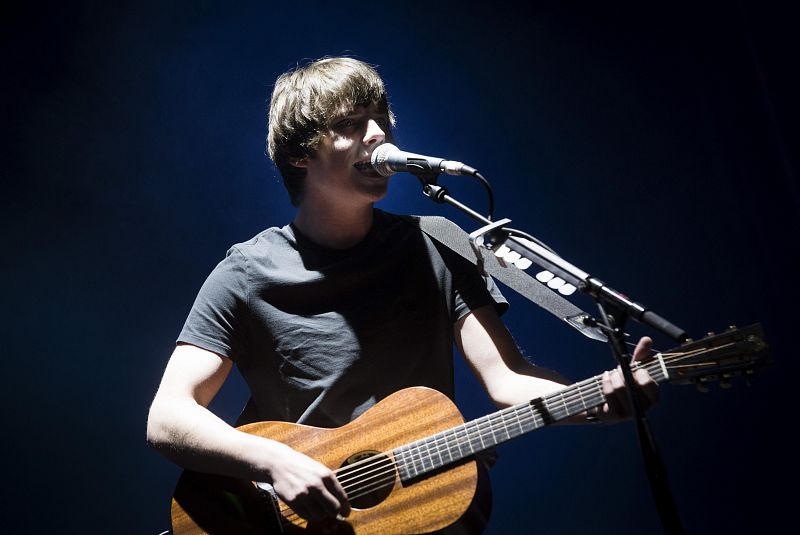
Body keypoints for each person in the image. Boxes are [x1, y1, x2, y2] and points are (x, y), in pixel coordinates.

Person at [146, 57, 658, 533]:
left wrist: (595, 404)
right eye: (350, 124)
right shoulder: (246, 271)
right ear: (300, 154)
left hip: (418, 514)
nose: (377, 134)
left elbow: (507, 378)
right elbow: (168, 416)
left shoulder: (436, 242)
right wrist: (274, 461)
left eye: (380, 119)